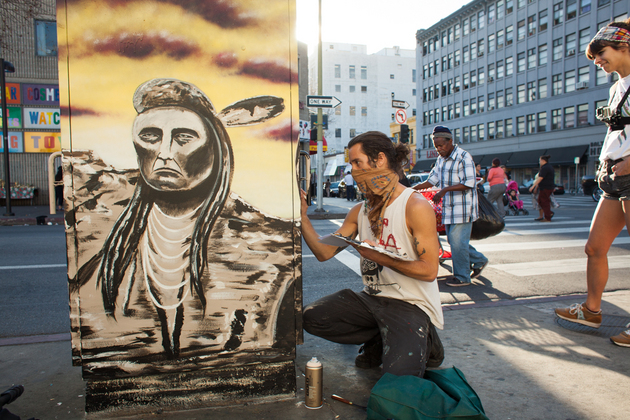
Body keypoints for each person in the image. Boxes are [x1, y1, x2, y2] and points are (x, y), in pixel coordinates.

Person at [70, 78, 294, 372]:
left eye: (184, 137)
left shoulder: (268, 246)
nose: (164, 152)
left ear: (215, 145)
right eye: (150, 136)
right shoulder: (94, 226)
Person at [301, 131, 444, 377]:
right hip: (373, 300)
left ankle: (426, 338)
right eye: (351, 164)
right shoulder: (360, 210)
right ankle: (381, 335)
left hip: (410, 304)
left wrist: (382, 258)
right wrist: (301, 216)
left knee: (399, 382)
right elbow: (324, 252)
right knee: (312, 318)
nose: (354, 171)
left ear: (379, 159)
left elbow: (430, 271)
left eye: (357, 162)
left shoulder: (415, 206)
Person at [555, 19, 630, 347]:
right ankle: (591, 310)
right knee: (594, 247)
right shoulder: (618, 86)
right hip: (613, 177)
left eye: (601, 53)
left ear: (624, 46)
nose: (597, 61)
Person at [414, 126, 488, 287]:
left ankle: (462, 277)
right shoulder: (440, 160)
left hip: (463, 208)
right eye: (436, 147)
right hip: (448, 208)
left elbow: (469, 183)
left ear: (450, 142)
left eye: (441, 146)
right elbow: (431, 180)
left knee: (457, 243)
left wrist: (445, 190)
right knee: (455, 242)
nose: (439, 149)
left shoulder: (463, 157)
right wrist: (410, 190)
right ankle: (479, 260)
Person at [529, 155, 555, 222]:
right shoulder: (549, 167)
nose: (539, 162)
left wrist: (533, 186)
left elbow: (540, 178)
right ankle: (549, 213)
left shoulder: (545, 168)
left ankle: (548, 217)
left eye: (540, 161)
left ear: (543, 160)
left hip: (545, 187)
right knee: (541, 201)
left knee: (544, 202)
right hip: (547, 187)